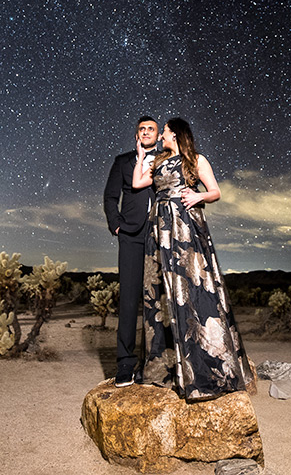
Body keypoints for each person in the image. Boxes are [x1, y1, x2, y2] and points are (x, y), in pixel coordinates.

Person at [132, 117, 253, 400]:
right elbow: (138, 183)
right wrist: (141, 156)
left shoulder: (196, 160)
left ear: (175, 134)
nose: (160, 135)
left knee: (192, 288)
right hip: (158, 226)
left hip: (184, 227)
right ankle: (163, 368)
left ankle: (202, 367)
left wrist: (198, 198)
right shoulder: (157, 160)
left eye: (164, 131)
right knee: (158, 292)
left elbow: (215, 192)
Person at [103, 116, 159, 387]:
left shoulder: (167, 159)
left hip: (161, 236)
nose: (146, 132)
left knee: (158, 301)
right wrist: (116, 226)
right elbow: (110, 196)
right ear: (136, 134)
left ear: (158, 135)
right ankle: (125, 365)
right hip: (132, 237)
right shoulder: (123, 161)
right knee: (128, 300)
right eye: (142, 129)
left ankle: (155, 363)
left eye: (151, 129)